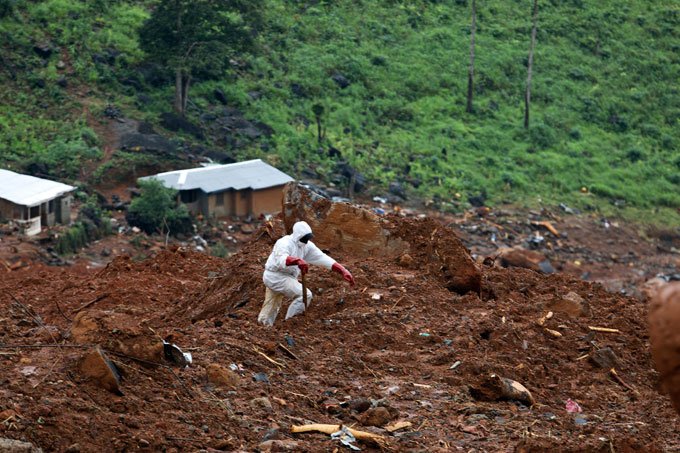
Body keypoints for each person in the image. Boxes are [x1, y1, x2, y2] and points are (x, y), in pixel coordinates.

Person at [258, 221, 355, 326]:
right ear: (298, 236)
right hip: (276, 276)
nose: (307, 240)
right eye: (305, 238)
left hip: (286, 277)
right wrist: (297, 261)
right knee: (304, 295)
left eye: (308, 237)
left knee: (272, 303)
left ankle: (263, 327)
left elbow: (322, 258)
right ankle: (290, 324)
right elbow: (282, 260)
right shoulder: (284, 243)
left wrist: (342, 270)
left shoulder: (306, 246)